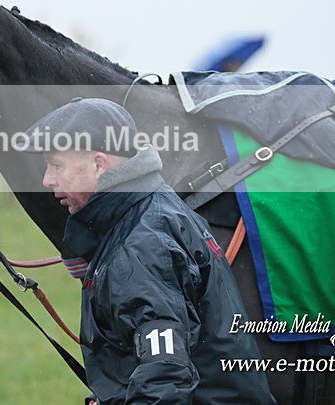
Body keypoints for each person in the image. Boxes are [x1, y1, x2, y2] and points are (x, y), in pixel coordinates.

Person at [23, 98, 274, 404]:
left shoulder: (140, 245)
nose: (47, 179)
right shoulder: (153, 209)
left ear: (99, 165)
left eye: (57, 165)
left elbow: (164, 381)